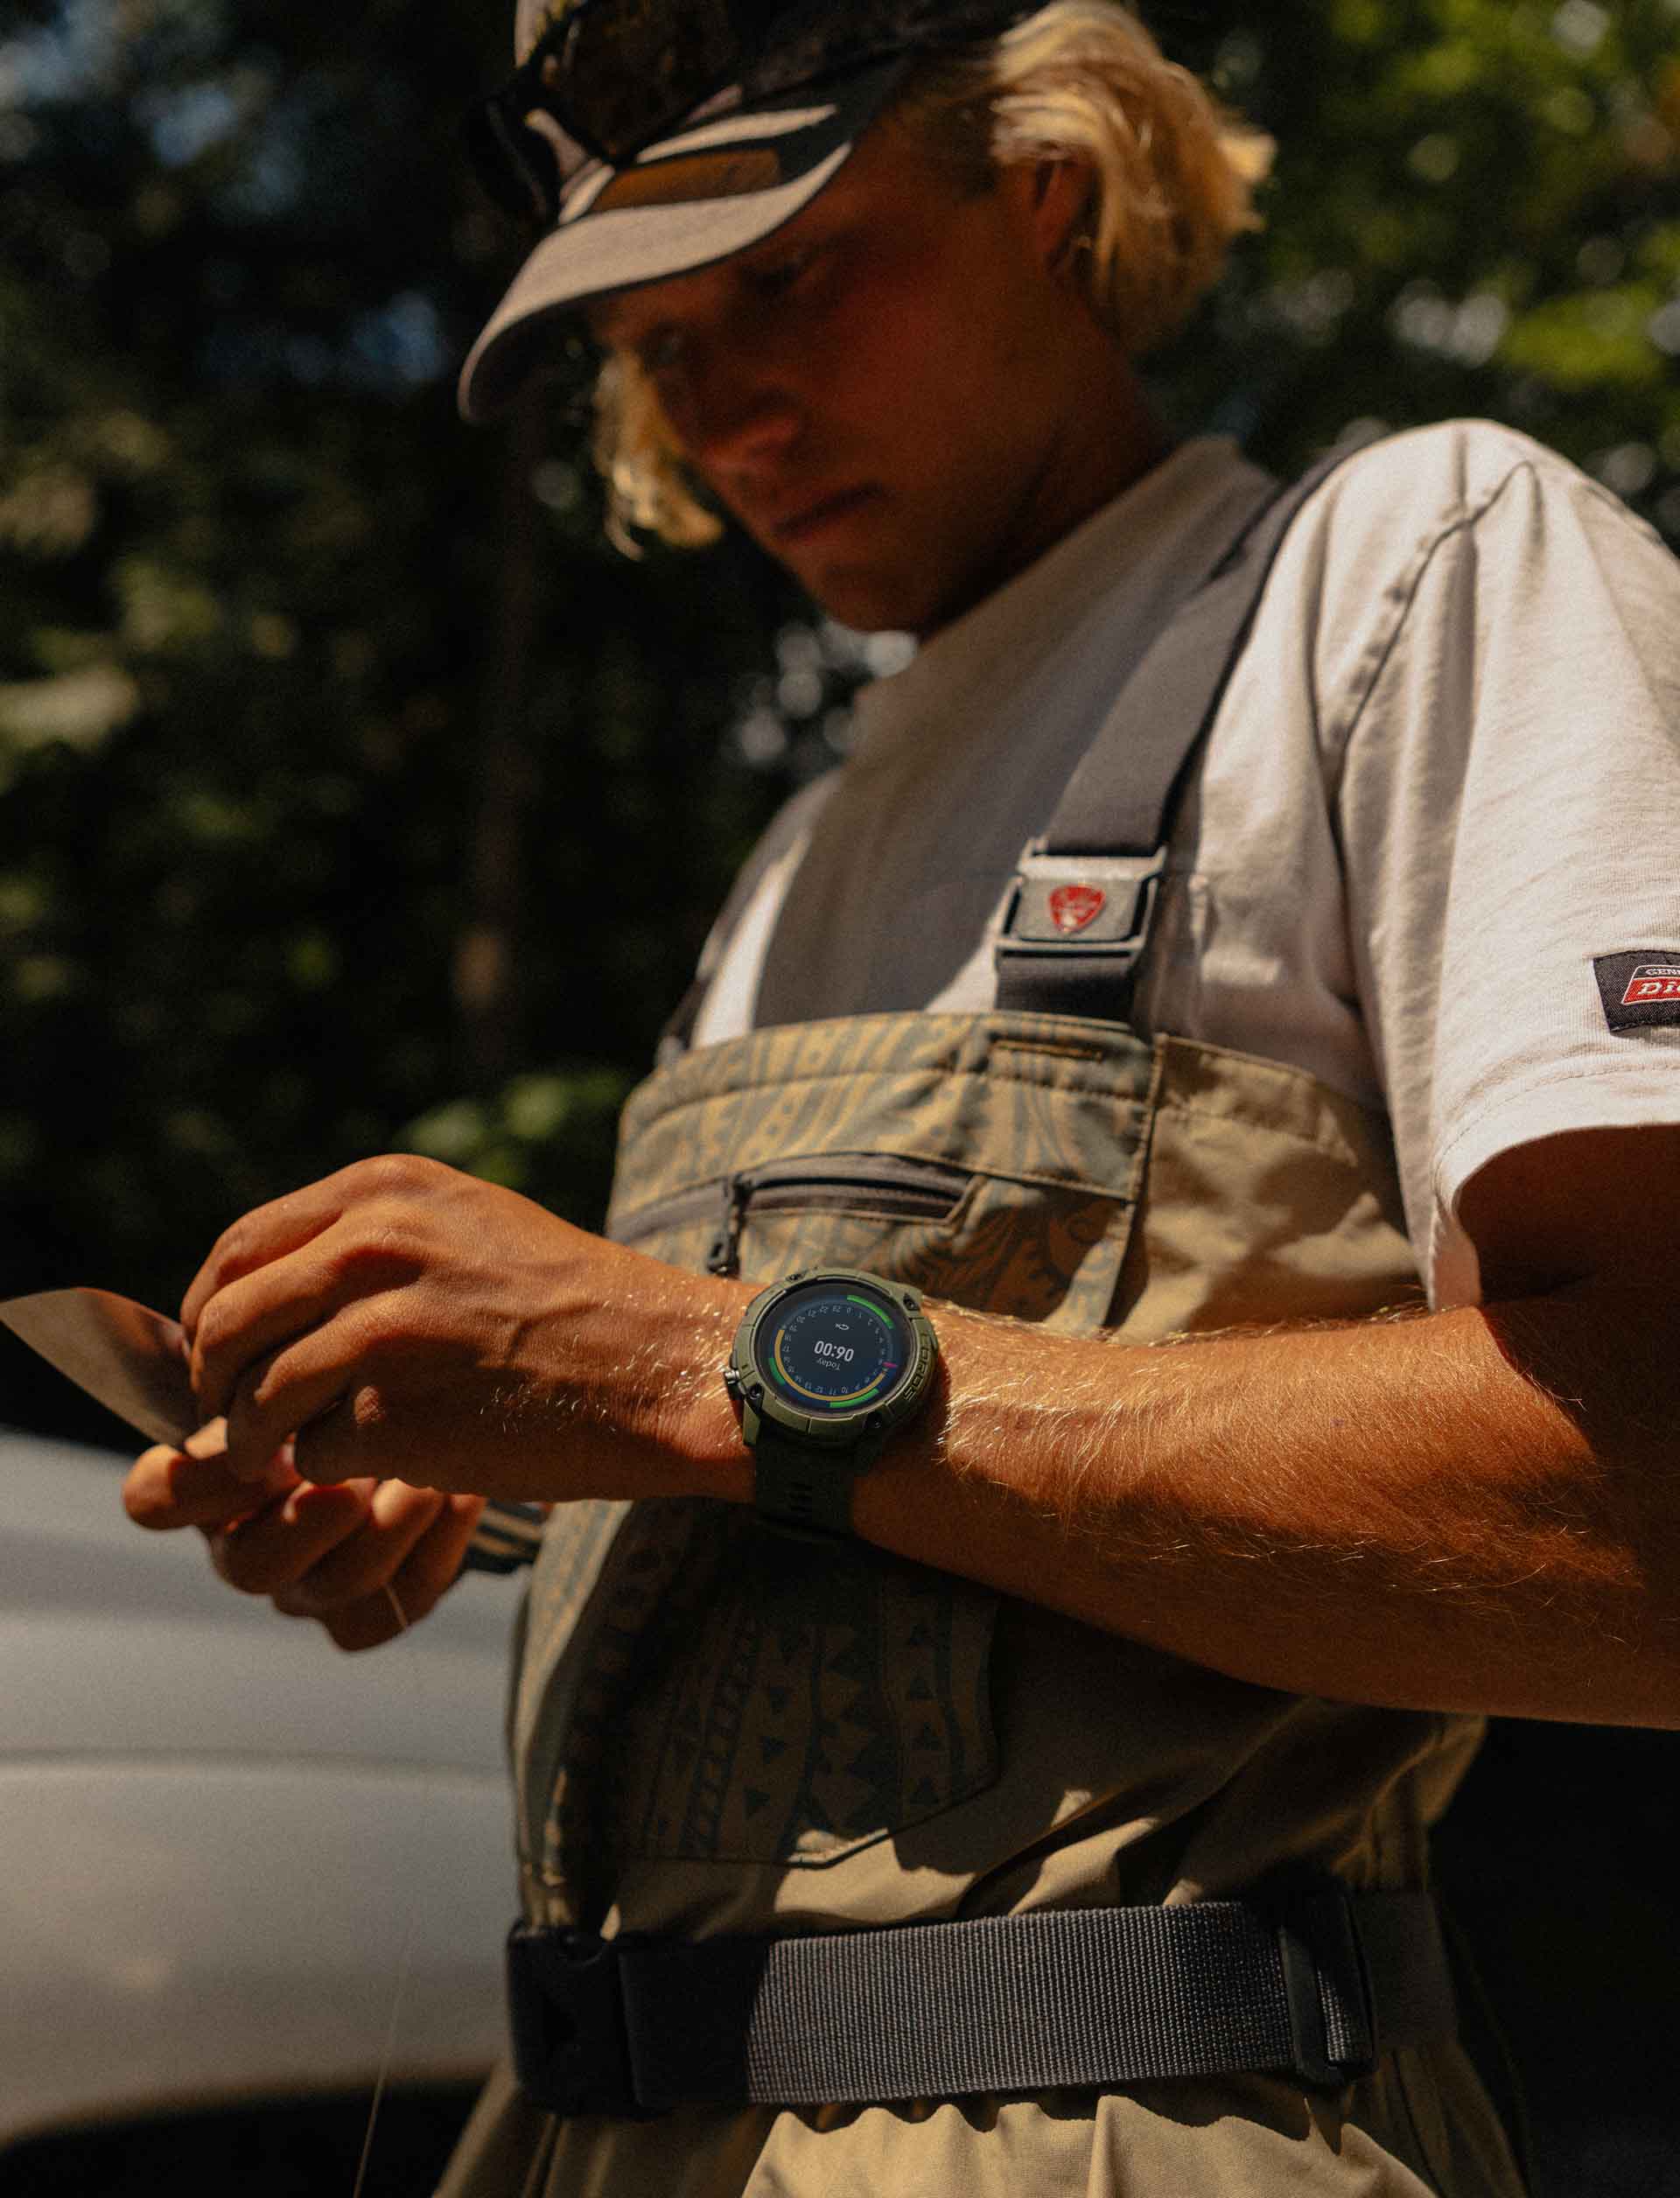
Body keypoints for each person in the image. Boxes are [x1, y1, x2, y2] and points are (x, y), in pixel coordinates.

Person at [122, 2, 1680, 2192]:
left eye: (786, 275)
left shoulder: (1411, 570)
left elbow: (1652, 1511)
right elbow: (862, 1507)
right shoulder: (798, 852)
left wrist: (683, 1360)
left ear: (1051, 190)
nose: (727, 401)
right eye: (652, 342)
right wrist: (517, 1481)